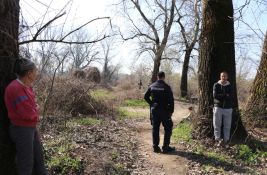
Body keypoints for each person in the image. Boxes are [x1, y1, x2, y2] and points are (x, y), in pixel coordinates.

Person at [4, 58, 47, 175]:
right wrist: (36, 111)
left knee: (39, 160)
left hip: (30, 128)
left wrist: (34, 109)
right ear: (29, 73)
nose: (36, 73)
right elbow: (27, 113)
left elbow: (31, 106)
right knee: (26, 164)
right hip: (22, 130)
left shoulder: (27, 86)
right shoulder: (15, 88)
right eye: (35, 71)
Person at [144, 71, 175, 153]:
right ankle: (165, 147)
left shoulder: (152, 86)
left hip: (154, 111)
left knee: (155, 128)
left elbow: (145, 96)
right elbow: (171, 100)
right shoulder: (166, 87)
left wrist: (152, 104)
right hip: (164, 111)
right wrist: (171, 111)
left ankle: (155, 147)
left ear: (158, 77)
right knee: (168, 127)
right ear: (163, 77)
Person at [213, 71, 233, 147]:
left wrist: (221, 95)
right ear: (220, 77)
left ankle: (226, 140)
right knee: (217, 124)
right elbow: (215, 96)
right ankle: (217, 139)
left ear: (227, 77)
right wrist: (225, 95)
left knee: (227, 126)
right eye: (222, 76)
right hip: (218, 107)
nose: (223, 78)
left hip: (228, 108)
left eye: (225, 76)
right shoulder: (216, 85)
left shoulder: (230, 86)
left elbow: (231, 97)